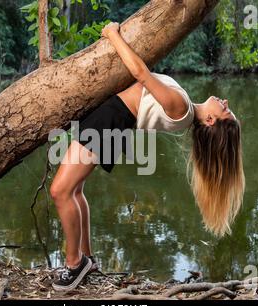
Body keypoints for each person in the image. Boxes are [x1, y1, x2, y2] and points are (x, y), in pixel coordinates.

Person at [50, 22, 245, 291]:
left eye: (225, 111)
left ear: (211, 121)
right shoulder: (185, 108)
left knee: (61, 191)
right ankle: (88, 258)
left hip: (110, 120)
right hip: (113, 120)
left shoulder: (181, 107)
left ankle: (74, 265)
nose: (225, 103)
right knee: (75, 189)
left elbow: (142, 74)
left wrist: (112, 35)